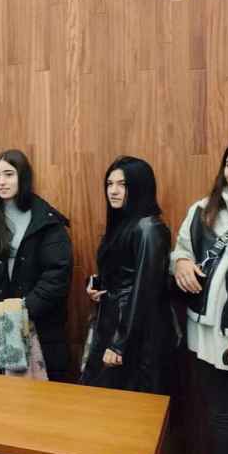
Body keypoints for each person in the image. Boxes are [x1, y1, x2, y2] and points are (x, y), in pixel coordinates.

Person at [172, 136, 228, 454]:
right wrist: (181, 263)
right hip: (207, 339)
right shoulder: (203, 209)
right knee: (221, 420)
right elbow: (181, 250)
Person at [0, 149, 73, 381]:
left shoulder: (47, 220)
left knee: (37, 400)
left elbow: (57, 274)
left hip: (38, 326)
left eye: (9, 174)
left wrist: (22, 311)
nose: (1, 182)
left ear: (23, 177)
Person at [80, 156, 173, 393]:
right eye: (110, 184)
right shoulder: (124, 224)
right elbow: (123, 272)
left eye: (122, 184)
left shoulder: (148, 228)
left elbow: (146, 290)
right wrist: (97, 284)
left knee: (126, 404)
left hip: (134, 335)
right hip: (113, 324)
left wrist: (120, 343)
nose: (113, 191)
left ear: (140, 187)